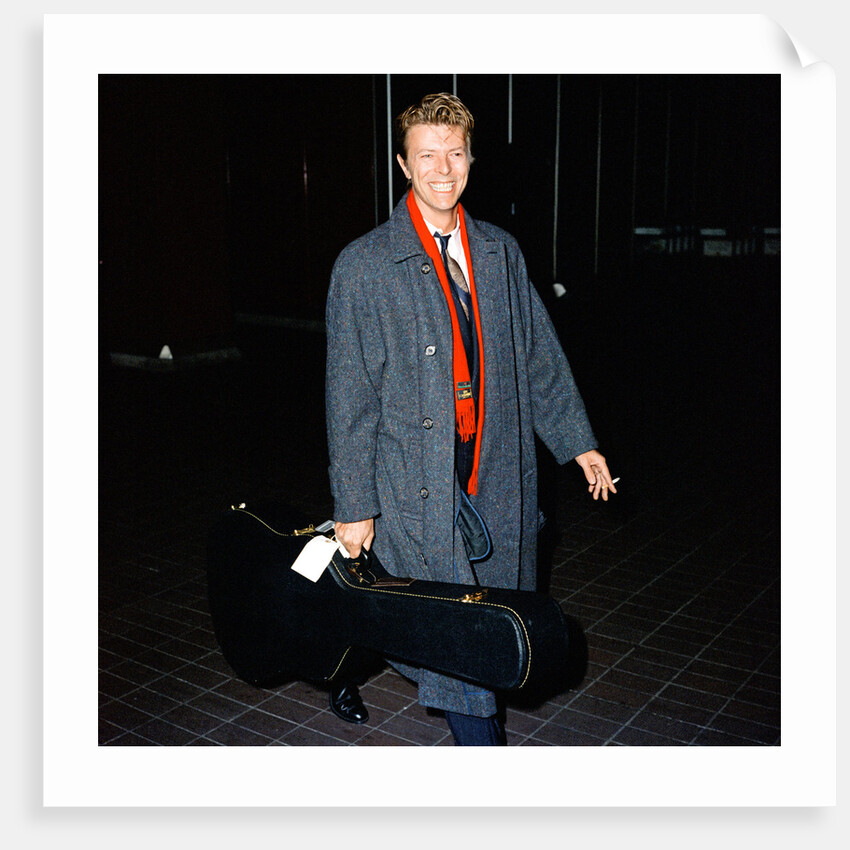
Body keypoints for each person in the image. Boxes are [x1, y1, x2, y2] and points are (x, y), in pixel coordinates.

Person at [324, 92, 616, 745]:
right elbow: (350, 397)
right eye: (427, 155)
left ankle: (341, 655)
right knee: (463, 641)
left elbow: (537, 356)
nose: (442, 168)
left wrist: (578, 444)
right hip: (412, 477)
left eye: (454, 153)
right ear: (403, 164)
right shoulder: (366, 266)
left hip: (492, 472)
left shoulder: (499, 254)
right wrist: (356, 503)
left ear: (470, 159)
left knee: (439, 606)